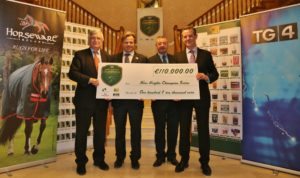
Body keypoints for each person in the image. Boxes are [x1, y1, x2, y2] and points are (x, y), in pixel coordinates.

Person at [174, 26, 219, 176]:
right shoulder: (177, 56)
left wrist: (206, 77)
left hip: (202, 98)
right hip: (184, 99)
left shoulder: (206, 55)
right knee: (184, 129)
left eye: (190, 36)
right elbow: (173, 79)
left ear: (195, 36)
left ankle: (205, 162)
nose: (187, 39)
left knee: (203, 130)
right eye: (185, 37)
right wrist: (174, 92)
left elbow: (215, 73)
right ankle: (184, 159)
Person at [68, 29, 110, 175]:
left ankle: (99, 159)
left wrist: (111, 93)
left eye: (98, 38)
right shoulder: (80, 55)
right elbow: (72, 73)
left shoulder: (107, 56)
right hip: (83, 102)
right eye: (92, 38)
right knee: (81, 133)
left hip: (102, 102)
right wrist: (89, 80)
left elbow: (112, 77)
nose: (95, 40)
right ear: (89, 40)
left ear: (102, 41)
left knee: (100, 133)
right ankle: (81, 162)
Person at [110, 31, 148, 170]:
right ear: (122, 43)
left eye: (131, 42)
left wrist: (145, 91)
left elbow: (147, 78)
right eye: (126, 42)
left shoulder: (143, 59)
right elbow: (109, 78)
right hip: (118, 102)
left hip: (136, 103)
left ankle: (135, 158)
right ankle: (120, 157)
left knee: (136, 131)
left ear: (135, 44)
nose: (129, 44)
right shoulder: (113, 58)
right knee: (119, 131)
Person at [148, 36, 179, 167]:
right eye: (159, 43)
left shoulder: (175, 60)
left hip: (174, 102)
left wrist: (180, 93)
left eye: (164, 43)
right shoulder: (149, 61)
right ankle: (160, 156)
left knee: (173, 129)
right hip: (158, 102)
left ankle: (171, 155)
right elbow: (146, 80)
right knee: (159, 130)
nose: (162, 45)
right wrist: (150, 94)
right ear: (156, 45)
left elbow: (181, 78)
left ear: (168, 45)